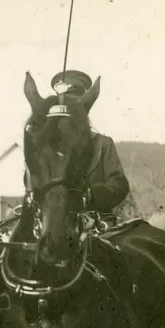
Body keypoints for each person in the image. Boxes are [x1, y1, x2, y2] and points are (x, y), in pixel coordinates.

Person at [50, 70, 130, 220]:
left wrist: (93, 195)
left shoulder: (103, 144)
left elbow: (120, 184)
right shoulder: (48, 145)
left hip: (96, 223)